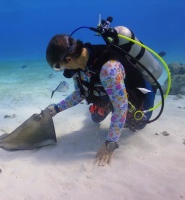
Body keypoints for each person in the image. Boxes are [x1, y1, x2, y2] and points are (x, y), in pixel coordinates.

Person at [45, 32, 158, 166]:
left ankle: (143, 97)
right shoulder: (78, 67)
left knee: (136, 126)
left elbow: (121, 108)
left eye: (58, 66)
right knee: (95, 118)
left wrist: (110, 144)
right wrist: (56, 109)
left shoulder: (109, 70)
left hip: (137, 93)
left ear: (69, 59)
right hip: (113, 93)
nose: (62, 70)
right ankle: (107, 105)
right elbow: (80, 93)